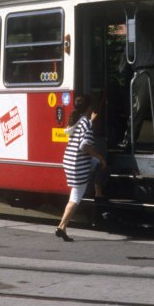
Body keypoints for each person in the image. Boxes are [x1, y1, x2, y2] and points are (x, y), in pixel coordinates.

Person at [55, 94, 108, 241]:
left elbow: (82, 129)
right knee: (76, 197)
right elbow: (84, 145)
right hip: (79, 164)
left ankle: (62, 227)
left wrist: (91, 120)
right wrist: (100, 156)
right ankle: (61, 227)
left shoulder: (76, 120)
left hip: (69, 161)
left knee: (75, 193)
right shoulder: (87, 124)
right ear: (89, 108)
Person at [125, 14, 154, 150]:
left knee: (137, 110)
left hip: (143, 73)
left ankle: (130, 142)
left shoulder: (136, 34)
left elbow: (129, 53)